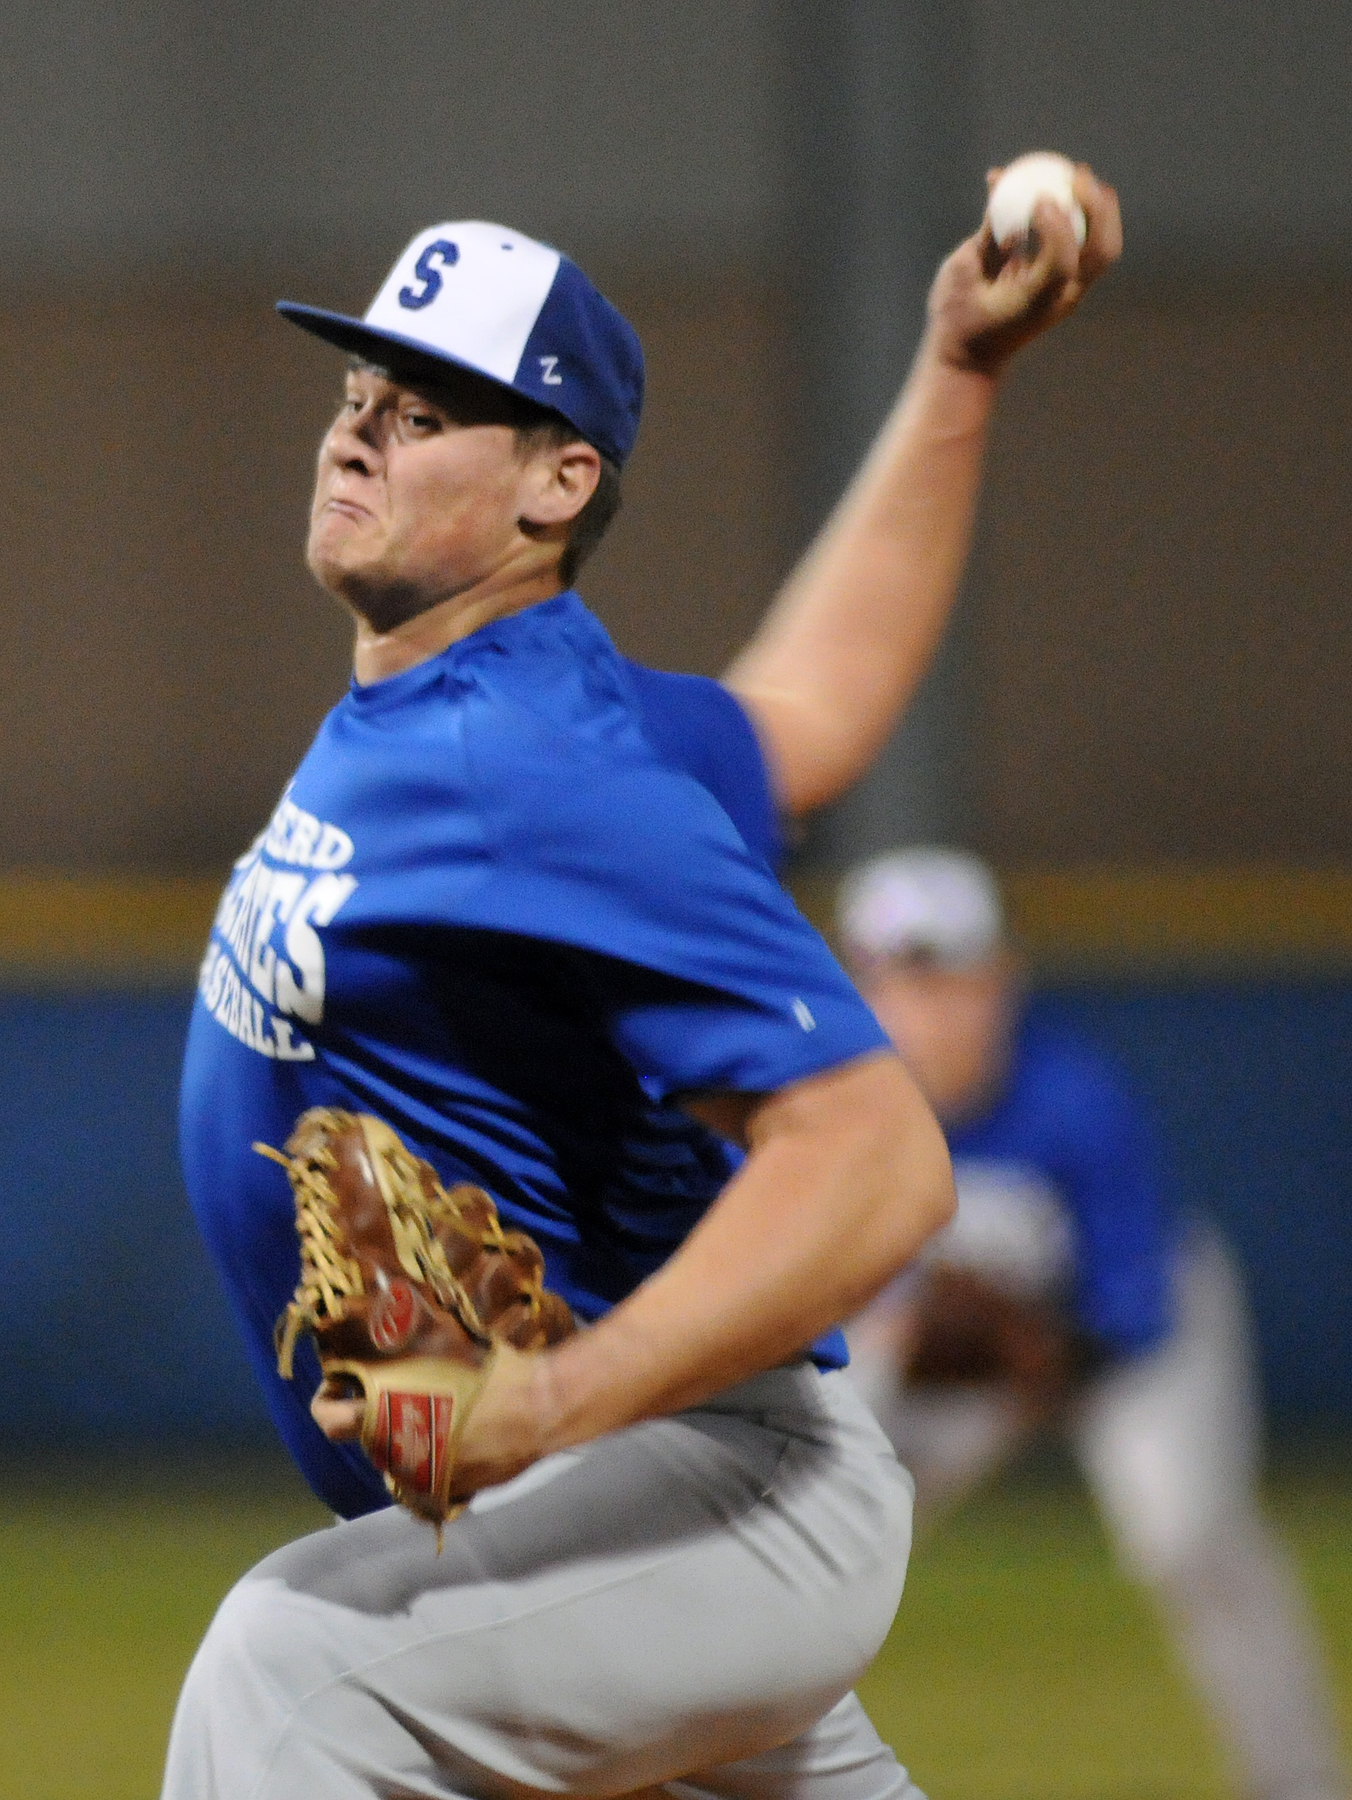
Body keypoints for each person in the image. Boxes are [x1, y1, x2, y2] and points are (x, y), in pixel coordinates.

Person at [166, 175, 1120, 1800]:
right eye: (356, 396)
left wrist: (547, 1400)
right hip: (610, 1521)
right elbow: (809, 707)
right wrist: (959, 372)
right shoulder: (522, 710)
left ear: (562, 479)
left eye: (423, 414)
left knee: (294, 1668)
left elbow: (881, 1161)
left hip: (700, 1488)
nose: (354, 435)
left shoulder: (525, 761)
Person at [837, 847, 1348, 1800]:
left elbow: (1135, 1299)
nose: (936, 1010)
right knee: (819, 1545)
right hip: (950, 1366)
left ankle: (1300, 1782)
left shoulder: (1072, 1096)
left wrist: (1036, 1346)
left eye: (957, 980)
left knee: (1189, 1537)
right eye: (905, 983)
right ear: (858, 991)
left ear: (1004, 982)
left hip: (1132, 1347)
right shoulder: (830, 1115)